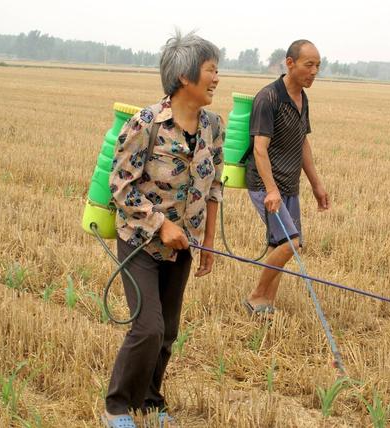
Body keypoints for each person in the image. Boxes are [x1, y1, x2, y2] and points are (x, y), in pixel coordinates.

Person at [103, 30, 223, 428]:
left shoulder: (213, 126)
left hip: (183, 246)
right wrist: (160, 224)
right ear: (185, 77)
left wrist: (207, 243)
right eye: (211, 69)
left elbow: (214, 187)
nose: (217, 78)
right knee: (149, 326)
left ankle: (151, 402)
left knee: (168, 330)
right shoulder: (147, 123)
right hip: (139, 243)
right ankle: (117, 406)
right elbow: (119, 186)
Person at [243, 40, 329, 314]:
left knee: (277, 244)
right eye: (309, 65)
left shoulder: (303, 98)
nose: (314, 71)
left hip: (290, 185)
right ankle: (257, 296)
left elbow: (302, 142)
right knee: (290, 243)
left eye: (318, 65)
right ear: (289, 63)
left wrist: (316, 184)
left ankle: (267, 303)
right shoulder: (268, 98)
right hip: (265, 184)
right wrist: (271, 190)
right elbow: (259, 149)